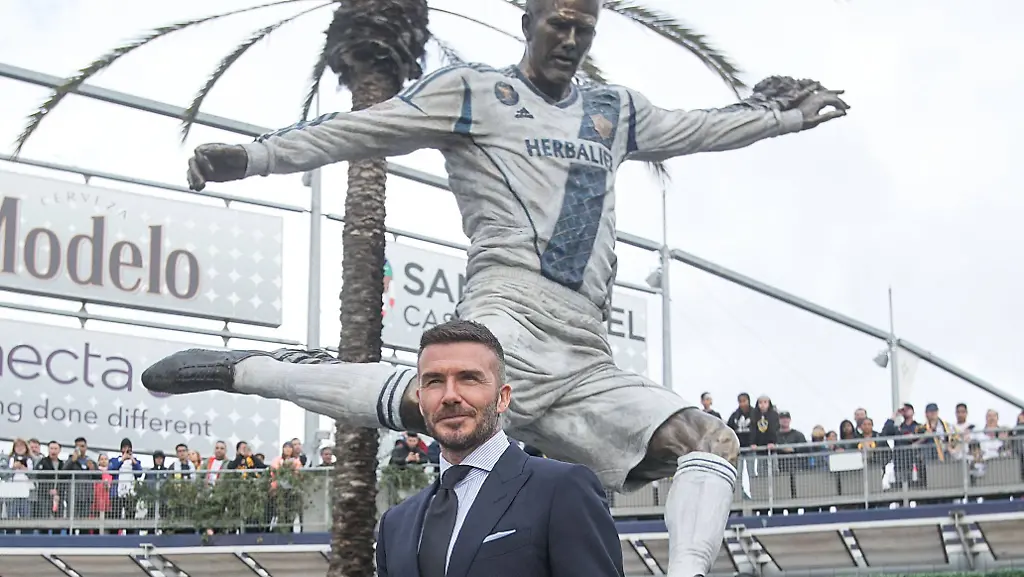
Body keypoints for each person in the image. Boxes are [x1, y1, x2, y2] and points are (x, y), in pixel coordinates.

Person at [142, 0, 848, 574]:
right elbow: (367, 128)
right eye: (559, 23)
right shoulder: (476, 93)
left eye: (584, 29)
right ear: (528, 21)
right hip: (508, 307)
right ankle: (254, 369)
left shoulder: (615, 110)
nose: (570, 40)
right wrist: (258, 155)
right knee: (437, 403)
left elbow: (701, 127)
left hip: (586, 348)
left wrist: (782, 115)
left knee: (710, 440)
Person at [375, 320, 622, 577]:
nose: (450, 396)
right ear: (420, 401)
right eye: (434, 381)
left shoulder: (562, 489)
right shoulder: (395, 525)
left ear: (502, 398)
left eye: (469, 378)